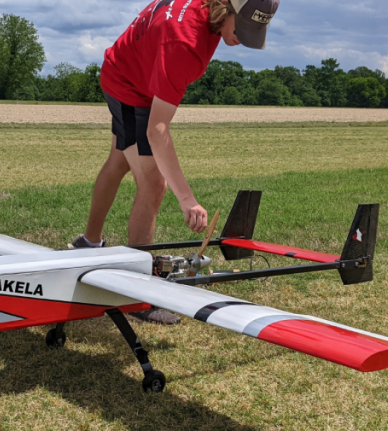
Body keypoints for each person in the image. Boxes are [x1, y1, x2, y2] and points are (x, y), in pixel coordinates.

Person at [70, 0, 279, 324]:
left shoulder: (206, 12)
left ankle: (88, 243)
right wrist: (187, 199)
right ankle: (139, 296)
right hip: (129, 87)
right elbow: (157, 130)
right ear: (228, 9)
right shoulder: (186, 43)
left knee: (119, 161)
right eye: (243, 28)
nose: (243, 39)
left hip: (123, 69)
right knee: (154, 183)